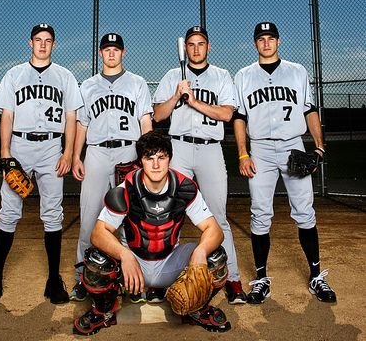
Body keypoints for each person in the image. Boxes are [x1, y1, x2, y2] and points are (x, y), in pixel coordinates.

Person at [73, 131, 231, 335]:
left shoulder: (184, 187)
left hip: (170, 264)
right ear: (141, 161)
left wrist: (200, 252)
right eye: (149, 158)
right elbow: (98, 233)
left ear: (169, 159)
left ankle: (198, 308)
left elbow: (215, 230)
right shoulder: (126, 189)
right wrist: (125, 255)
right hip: (134, 266)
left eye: (161, 157)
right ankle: (103, 311)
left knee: (215, 255)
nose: (156, 165)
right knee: (97, 259)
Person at [0, 23, 82, 307]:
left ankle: (53, 280)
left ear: (54, 45)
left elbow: (71, 118)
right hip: (20, 147)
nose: (43, 45)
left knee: (53, 213)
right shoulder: (14, 74)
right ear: (30, 43)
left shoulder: (65, 76)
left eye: (48, 40)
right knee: (9, 211)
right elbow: (7, 116)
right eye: (38, 40)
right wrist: (5, 152)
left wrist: (68, 152)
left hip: (51, 147)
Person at [233, 21, 337, 304]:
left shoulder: (297, 71)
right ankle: (260, 279)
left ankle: (316, 276)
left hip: (293, 146)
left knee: (305, 211)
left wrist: (319, 147)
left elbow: (309, 109)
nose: (266, 43)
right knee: (259, 213)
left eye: (271, 38)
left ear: (279, 42)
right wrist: (243, 153)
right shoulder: (243, 76)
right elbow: (239, 117)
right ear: (255, 44)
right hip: (261, 150)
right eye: (261, 39)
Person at [152, 26, 246, 305]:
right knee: (171, 215)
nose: (195, 48)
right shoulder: (172, 76)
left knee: (217, 216)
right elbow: (158, 115)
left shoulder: (221, 76)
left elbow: (227, 114)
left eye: (200, 44)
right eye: (191, 44)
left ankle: (232, 278)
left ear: (209, 47)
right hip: (178, 148)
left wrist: (192, 100)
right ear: (186, 49)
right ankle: (163, 278)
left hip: (210, 149)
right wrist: (176, 96)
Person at [70, 33, 153, 301]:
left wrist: (146, 157)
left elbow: (145, 122)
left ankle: (133, 281)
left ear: (123, 52)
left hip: (129, 151)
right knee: (89, 217)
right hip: (95, 152)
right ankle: (83, 277)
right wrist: (75, 156)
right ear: (100, 53)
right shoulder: (88, 86)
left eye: (116, 49)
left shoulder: (137, 83)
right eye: (107, 49)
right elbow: (81, 125)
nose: (111, 53)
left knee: (131, 219)